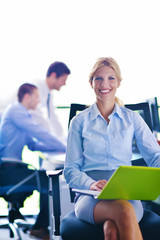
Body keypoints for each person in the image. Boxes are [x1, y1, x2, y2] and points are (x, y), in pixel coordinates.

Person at [64, 57, 160, 240]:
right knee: (124, 210)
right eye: (98, 78)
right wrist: (91, 184)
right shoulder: (79, 122)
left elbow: (155, 156)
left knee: (112, 231)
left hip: (125, 191)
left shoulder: (132, 119)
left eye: (111, 78)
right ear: (91, 82)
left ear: (118, 82)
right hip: (90, 195)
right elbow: (70, 170)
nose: (104, 84)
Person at [0, 83, 66, 240]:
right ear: (27, 96)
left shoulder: (20, 114)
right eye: (37, 97)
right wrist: (66, 146)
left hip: (12, 169)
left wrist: (54, 148)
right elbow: (39, 132)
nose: (38, 101)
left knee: (44, 177)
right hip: (7, 172)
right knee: (48, 180)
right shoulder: (16, 111)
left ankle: (31, 219)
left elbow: (33, 144)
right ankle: (40, 228)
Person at [30, 61, 71, 142]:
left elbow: (53, 118)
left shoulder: (49, 94)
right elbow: (38, 116)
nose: (65, 84)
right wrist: (53, 140)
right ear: (53, 76)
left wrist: (61, 139)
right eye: (63, 80)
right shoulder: (35, 87)